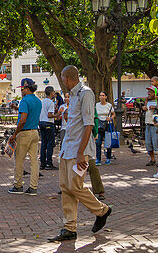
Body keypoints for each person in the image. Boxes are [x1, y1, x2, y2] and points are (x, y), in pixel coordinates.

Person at [49, 65, 111, 242]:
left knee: (75, 186)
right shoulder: (74, 95)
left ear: (67, 78)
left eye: (63, 78)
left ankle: (102, 211)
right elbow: (78, 121)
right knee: (65, 187)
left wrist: (81, 152)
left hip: (78, 150)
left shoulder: (86, 93)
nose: (63, 82)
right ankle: (70, 227)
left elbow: (89, 124)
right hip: (67, 148)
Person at [9, 78, 41, 195]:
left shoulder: (24, 101)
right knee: (34, 161)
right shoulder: (38, 101)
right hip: (35, 132)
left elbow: (23, 120)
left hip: (24, 133)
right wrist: (17, 109)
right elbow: (30, 112)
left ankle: (18, 186)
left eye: (22, 88)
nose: (21, 91)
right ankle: (33, 187)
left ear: (26, 88)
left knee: (19, 160)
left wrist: (14, 134)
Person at [39, 86, 59, 170]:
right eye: (54, 92)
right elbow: (50, 115)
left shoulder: (42, 102)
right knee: (50, 143)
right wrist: (58, 114)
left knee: (44, 143)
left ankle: (42, 163)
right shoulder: (51, 102)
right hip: (48, 123)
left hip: (41, 122)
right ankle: (49, 163)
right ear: (51, 93)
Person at [94, 91, 115, 165]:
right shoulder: (97, 105)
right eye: (100, 95)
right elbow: (95, 114)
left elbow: (113, 114)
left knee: (108, 142)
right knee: (98, 142)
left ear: (106, 97)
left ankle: (108, 158)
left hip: (108, 125)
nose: (101, 97)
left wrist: (110, 118)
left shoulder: (109, 105)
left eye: (103, 95)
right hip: (99, 125)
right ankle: (98, 159)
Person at [144, 86, 158, 167]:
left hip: (155, 125)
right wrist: (143, 108)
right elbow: (144, 108)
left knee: (157, 143)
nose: (148, 93)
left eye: (150, 92)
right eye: (148, 92)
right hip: (148, 123)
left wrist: (156, 107)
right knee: (148, 143)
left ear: (155, 93)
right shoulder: (147, 100)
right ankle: (152, 159)